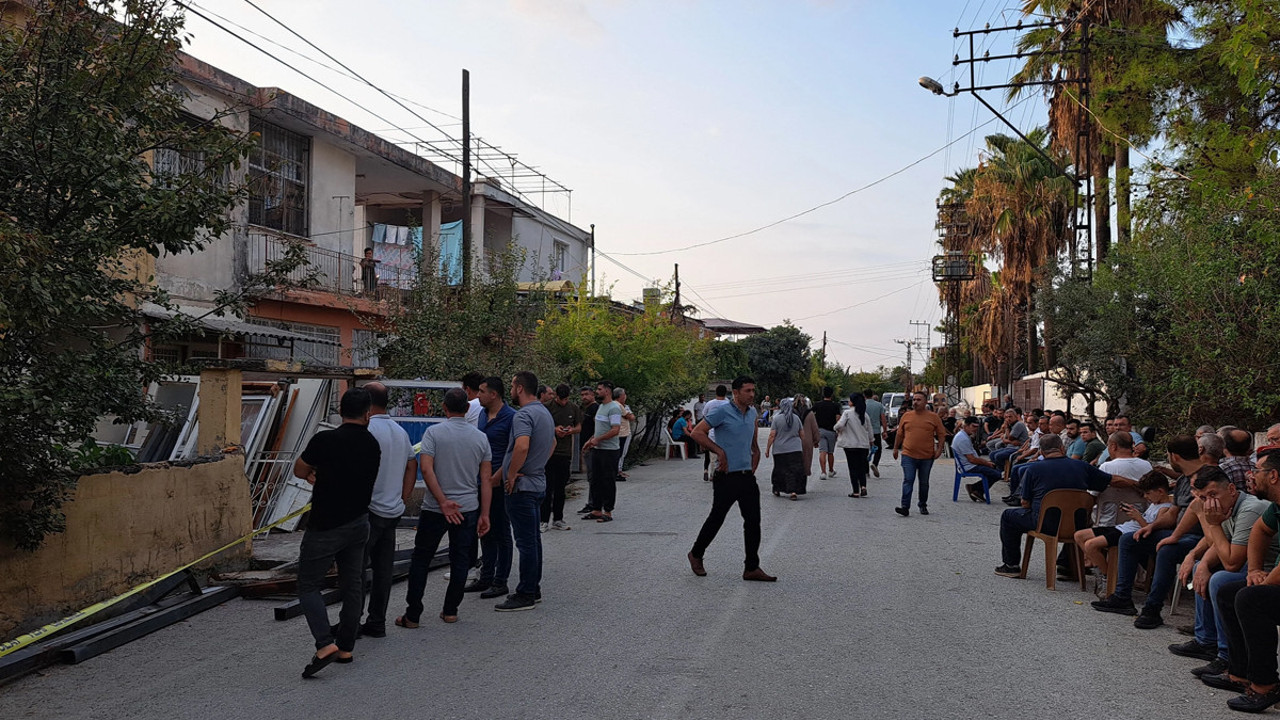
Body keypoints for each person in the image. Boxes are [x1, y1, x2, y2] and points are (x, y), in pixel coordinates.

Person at [293, 388, 381, 678]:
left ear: (341, 411)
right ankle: (345, 646)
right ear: (368, 413)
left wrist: (312, 474)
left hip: (325, 525)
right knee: (352, 583)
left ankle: (324, 644)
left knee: (308, 585)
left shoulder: (325, 439)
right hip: (358, 523)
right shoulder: (372, 444)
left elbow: (299, 469)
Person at [1093, 435, 1209, 629]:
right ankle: (1122, 597)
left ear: (1174, 457)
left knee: (1167, 549)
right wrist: (1150, 527)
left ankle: (1152, 609)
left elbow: (1195, 513)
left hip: (1201, 537)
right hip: (1177, 531)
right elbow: (1173, 513)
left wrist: (1174, 536)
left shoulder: (1207, 477)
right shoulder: (1183, 480)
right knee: (1129, 539)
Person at [399, 388, 492, 627]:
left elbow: (427, 470)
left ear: (444, 407)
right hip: (468, 507)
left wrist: (442, 501)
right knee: (460, 559)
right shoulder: (480, 437)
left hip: (434, 508)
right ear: (468, 408)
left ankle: (413, 614)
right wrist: (485, 513)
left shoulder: (434, 433)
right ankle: (450, 610)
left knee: (421, 558)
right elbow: (485, 480)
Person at [1162, 465, 1268, 671]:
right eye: (1203, 498)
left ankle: (1226, 654)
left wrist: (1213, 524)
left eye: (1213, 494)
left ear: (1230, 489)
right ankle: (1206, 641)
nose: (1209, 503)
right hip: (1247, 562)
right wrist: (1197, 561)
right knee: (1202, 569)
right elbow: (1219, 544)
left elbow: (1231, 562)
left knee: (1221, 580)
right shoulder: (1227, 507)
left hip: (1266, 567)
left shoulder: (1249, 509)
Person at [1208, 446, 1280, 712]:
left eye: (1258, 471)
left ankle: (1265, 686)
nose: (1252, 475)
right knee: (1229, 591)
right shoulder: (1275, 506)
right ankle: (1239, 673)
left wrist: (1266, 581)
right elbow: (1261, 530)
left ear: (1273, 476)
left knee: (1252, 598)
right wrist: (1254, 570)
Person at [687, 376, 776, 582]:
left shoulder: (752, 411)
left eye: (753, 390)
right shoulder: (721, 411)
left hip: (746, 475)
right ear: (735, 393)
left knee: (753, 521)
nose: (752, 394)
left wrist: (755, 450)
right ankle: (696, 554)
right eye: (747, 390)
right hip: (726, 476)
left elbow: (751, 437)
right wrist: (720, 452)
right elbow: (697, 433)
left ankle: (751, 567)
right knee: (717, 518)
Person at [993, 434, 1117, 578]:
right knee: (1071, 517)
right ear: (1062, 448)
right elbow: (1108, 481)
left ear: (1041, 451)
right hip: (1078, 525)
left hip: (1045, 524)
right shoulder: (1082, 466)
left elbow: (1025, 502)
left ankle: (1011, 565)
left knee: (1008, 516)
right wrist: (1136, 483)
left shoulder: (1033, 469)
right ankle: (1066, 564)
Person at [357, 382, 416, 639]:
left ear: (367, 403)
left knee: (356, 568)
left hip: (368, 510)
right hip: (392, 510)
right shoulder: (399, 432)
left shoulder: (367, 429)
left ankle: (351, 622)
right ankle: (377, 621)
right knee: (383, 569)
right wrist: (403, 497)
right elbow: (411, 466)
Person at [495, 371, 556, 611]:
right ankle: (534, 587)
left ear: (520, 388)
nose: (510, 390)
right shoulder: (544, 413)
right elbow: (551, 443)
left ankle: (525, 593)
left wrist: (511, 476)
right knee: (533, 540)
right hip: (537, 482)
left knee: (525, 541)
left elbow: (521, 446)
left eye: (512, 386)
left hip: (522, 486)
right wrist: (537, 465)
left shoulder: (524, 415)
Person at [466, 376, 515, 600]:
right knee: (484, 529)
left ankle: (500, 581)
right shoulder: (483, 416)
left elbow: (513, 452)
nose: (478, 396)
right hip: (481, 481)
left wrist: (499, 476)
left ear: (494, 394)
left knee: (502, 532)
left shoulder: (512, 417)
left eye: (482, 391)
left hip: (498, 482)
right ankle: (486, 576)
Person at [1074, 471, 1174, 571]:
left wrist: (1138, 517)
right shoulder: (1155, 503)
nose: (1145, 497)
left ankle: (1106, 575)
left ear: (1160, 492)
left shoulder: (1165, 509)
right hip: (1122, 527)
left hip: (1128, 533)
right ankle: (1097, 564)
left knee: (1090, 545)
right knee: (1079, 535)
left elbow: (1151, 531)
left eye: (1148, 493)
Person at [892, 391, 947, 517]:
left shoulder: (933, 417)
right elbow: (900, 434)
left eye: (918, 400)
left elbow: (941, 434)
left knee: (924, 482)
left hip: (926, 456)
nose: (915, 402)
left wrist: (939, 450)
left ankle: (922, 504)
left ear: (925, 402)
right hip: (908, 454)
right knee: (908, 479)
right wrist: (895, 448)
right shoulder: (907, 416)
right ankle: (905, 506)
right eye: (914, 400)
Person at [541, 384, 581, 531]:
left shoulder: (573, 408)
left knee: (560, 488)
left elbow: (579, 427)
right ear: (555, 396)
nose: (563, 402)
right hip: (549, 453)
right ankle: (543, 520)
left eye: (565, 399)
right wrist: (554, 429)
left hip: (565, 453)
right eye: (560, 399)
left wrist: (571, 430)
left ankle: (558, 519)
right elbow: (540, 426)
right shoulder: (546, 407)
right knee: (547, 488)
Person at [582, 381, 622, 522]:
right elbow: (599, 429)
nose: (597, 392)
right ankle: (596, 509)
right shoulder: (601, 408)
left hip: (609, 451)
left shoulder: (614, 408)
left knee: (608, 480)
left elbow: (615, 430)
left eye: (599, 389)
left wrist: (599, 439)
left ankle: (608, 511)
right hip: (597, 449)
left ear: (607, 391)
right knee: (596, 480)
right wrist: (591, 440)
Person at [954, 416, 1004, 502]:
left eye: (977, 427)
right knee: (997, 474)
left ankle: (975, 489)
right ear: (966, 426)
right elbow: (972, 459)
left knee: (995, 468)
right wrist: (986, 463)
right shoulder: (963, 439)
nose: (975, 429)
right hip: (969, 466)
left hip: (969, 464)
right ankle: (976, 489)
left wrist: (986, 462)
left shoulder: (964, 436)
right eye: (973, 426)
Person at [766, 398, 806, 500]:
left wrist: (767, 448)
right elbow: (802, 434)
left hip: (780, 449)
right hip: (795, 449)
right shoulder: (796, 418)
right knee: (794, 470)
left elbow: (772, 435)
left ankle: (777, 488)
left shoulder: (777, 419)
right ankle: (793, 491)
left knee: (779, 470)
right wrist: (803, 447)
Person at [835, 392, 873, 498]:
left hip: (850, 446)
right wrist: (872, 441)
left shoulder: (847, 413)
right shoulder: (865, 415)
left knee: (853, 468)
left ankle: (856, 491)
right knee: (862, 467)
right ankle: (863, 486)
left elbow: (839, 425)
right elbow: (870, 431)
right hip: (863, 445)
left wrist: (837, 429)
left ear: (852, 402)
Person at [576, 386, 599, 511]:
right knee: (590, 476)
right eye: (582, 394)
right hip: (585, 446)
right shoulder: (586, 409)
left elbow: (598, 428)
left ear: (592, 395)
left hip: (591, 447)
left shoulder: (595, 409)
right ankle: (592, 502)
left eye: (586, 394)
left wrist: (591, 442)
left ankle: (593, 504)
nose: (584, 397)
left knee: (593, 476)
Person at [812, 386, 842, 480]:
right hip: (831, 430)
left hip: (820, 430)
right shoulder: (835, 406)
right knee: (830, 452)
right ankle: (831, 470)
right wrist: (838, 431)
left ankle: (823, 472)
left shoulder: (817, 405)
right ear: (832, 394)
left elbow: (811, 415)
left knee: (822, 451)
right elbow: (838, 418)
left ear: (823, 394)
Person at [702, 385, 731, 481]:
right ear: (726, 393)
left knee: (713, 457)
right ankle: (724, 473)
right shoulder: (729, 404)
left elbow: (705, 416)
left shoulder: (709, 404)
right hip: (726, 435)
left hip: (712, 435)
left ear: (716, 392)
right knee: (725, 455)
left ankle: (713, 474)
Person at [864, 389, 887, 478]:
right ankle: (875, 463)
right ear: (872, 394)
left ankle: (866, 471)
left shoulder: (863, 405)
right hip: (876, 431)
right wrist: (884, 430)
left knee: (865, 451)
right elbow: (883, 418)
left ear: (864, 395)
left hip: (865, 432)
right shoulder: (879, 405)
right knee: (878, 449)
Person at [615, 388, 637, 477]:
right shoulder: (617, 405)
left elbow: (632, 417)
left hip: (624, 432)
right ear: (621, 396)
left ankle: (619, 469)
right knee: (620, 452)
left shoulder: (625, 406)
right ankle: (618, 471)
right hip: (621, 432)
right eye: (624, 394)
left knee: (622, 452)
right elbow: (630, 416)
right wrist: (627, 415)